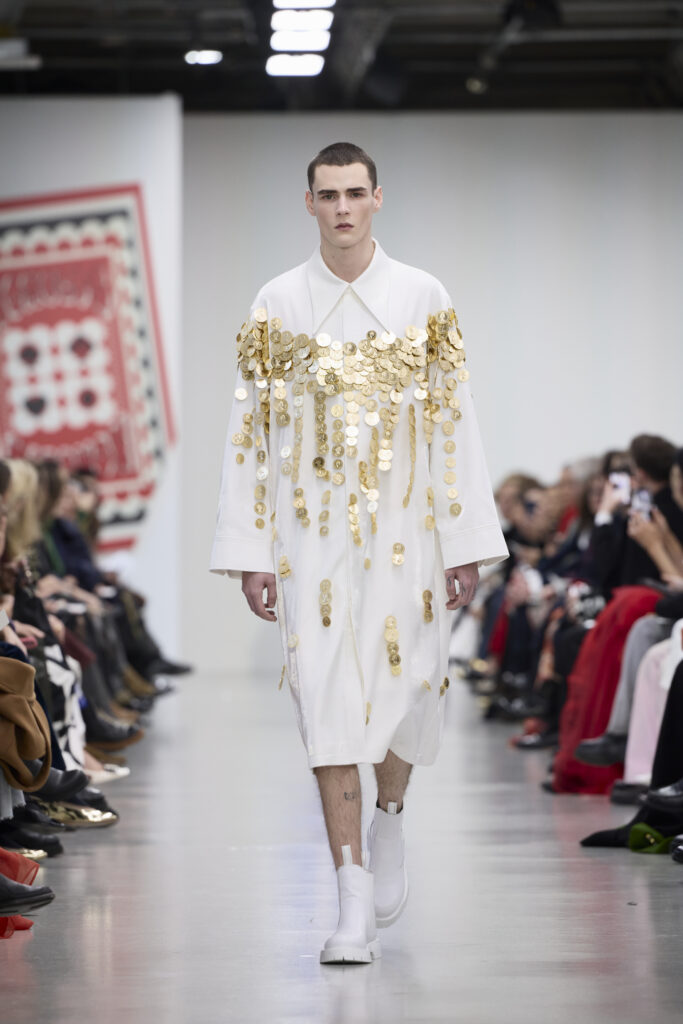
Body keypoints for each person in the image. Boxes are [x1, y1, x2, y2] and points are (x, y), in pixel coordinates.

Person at [210, 142, 508, 964]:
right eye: (327, 194)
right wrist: (250, 549)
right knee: (326, 706)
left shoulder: (422, 296)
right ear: (307, 203)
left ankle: (390, 816)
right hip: (307, 542)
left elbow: (454, 419)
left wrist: (464, 541)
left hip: (409, 532)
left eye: (353, 193)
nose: (341, 207)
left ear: (378, 197)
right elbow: (247, 430)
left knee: (412, 694)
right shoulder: (276, 303)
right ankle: (347, 895)